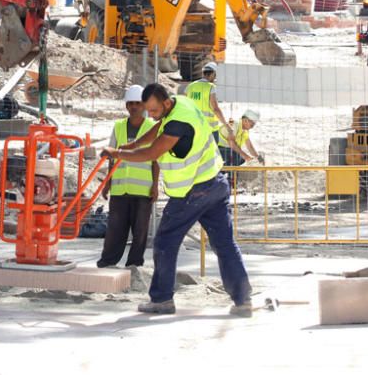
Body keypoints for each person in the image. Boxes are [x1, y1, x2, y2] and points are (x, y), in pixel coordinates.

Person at [102, 83, 252, 317]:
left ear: (165, 103)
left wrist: (118, 153)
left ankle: (162, 300)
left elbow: (152, 153)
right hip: (216, 183)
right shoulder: (181, 103)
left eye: (153, 110)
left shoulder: (177, 123)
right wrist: (133, 144)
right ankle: (243, 301)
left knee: (164, 243)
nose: (150, 115)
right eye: (147, 111)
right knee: (224, 244)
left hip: (193, 191)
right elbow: (158, 128)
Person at [97, 85, 159, 269]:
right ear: (126, 106)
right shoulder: (118, 127)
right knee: (115, 229)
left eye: (138, 103)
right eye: (131, 103)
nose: (134, 107)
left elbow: (156, 160)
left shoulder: (152, 128)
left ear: (144, 106)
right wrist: (107, 183)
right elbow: (111, 156)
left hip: (143, 189)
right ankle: (107, 261)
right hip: (120, 188)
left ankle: (134, 264)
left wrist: (155, 186)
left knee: (140, 231)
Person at [185, 61, 233, 144]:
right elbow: (215, 109)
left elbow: (186, 106)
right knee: (211, 155)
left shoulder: (190, 86)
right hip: (209, 129)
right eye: (215, 76)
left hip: (194, 127)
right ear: (213, 74)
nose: (215, 78)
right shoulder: (211, 87)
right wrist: (226, 125)